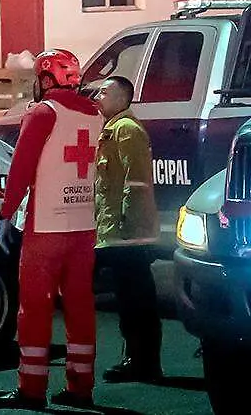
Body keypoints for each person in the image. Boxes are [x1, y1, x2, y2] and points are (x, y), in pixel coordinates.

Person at [0, 49, 102, 409]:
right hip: (84, 225)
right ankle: (81, 386)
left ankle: (31, 389)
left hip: (47, 227)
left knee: (35, 308)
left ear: (45, 79)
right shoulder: (95, 115)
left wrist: (6, 213)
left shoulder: (43, 113)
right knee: (81, 306)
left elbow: (21, 170)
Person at [93, 75, 161, 383]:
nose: (98, 95)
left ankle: (141, 361)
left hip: (128, 233)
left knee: (136, 300)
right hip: (120, 232)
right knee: (131, 298)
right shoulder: (113, 130)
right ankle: (138, 359)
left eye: (105, 91)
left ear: (123, 99)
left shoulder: (126, 130)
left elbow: (136, 183)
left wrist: (127, 223)